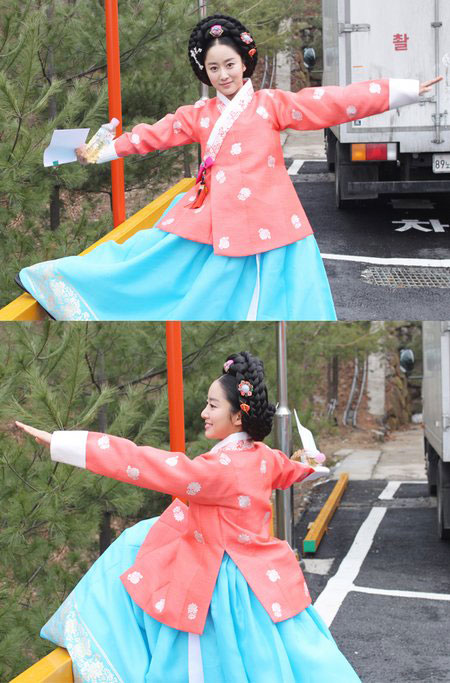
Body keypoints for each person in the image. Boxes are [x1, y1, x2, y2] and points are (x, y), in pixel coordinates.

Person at [17, 14, 441, 321]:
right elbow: (152, 135)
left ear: (246, 62)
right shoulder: (198, 114)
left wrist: (399, 92)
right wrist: (101, 152)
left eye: (230, 65)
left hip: (275, 223)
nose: (222, 75)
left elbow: (330, 102)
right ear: (205, 71)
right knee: (157, 268)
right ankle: (76, 285)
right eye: (213, 68)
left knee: (287, 301)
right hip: (216, 220)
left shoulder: (272, 104)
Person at [15, 351, 363, 682]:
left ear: (238, 416)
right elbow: (287, 469)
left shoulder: (217, 469)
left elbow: (141, 462)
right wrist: (312, 467)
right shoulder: (262, 455)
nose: (203, 413)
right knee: (274, 655)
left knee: (135, 554)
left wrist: (64, 445)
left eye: (212, 406)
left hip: (217, 578)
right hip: (258, 577)